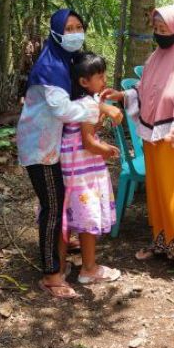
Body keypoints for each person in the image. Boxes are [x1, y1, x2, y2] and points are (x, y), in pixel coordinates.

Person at [16, 9, 122, 298]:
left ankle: (61, 253)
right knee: (53, 205)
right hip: (41, 147)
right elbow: (63, 110)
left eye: (79, 27)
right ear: (55, 32)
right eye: (69, 28)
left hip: (57, 145)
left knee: (61, 202)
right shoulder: (49, 68)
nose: (75, 33)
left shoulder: (67, 62)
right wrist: (100, 108)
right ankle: (51, 274)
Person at [104, 5, 174, 272]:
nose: (159, 34)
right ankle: (167, 245)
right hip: (155, 141)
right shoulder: (156, 58)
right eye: (156, 29)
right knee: (160, 194)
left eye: (164, 30)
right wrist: (123, 96)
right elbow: (145, 91)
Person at [61, 51, 121, 284]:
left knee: (71, 212)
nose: (104, 80)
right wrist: (106, 150)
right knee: (87, 217)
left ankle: (62, 264)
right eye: (99, 76)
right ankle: (89, 268)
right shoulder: (87, 104)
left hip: (70, 165)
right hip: (82, 169)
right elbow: (88, 141)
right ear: (84, 82)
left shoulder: (75, 102)